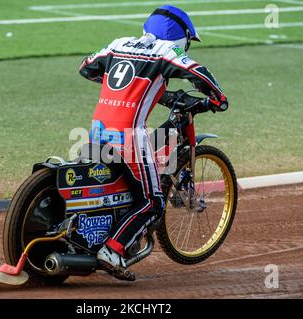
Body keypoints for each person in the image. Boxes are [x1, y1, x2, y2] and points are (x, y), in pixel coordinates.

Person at [78, 4, 229, 281]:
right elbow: (199, 73)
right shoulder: (166, 51)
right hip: (128, 137)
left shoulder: (118, 43)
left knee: (113, 184)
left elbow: (86, 68)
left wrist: (137, 91)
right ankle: (113, 250)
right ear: (180, 35)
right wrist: (219, 99)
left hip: (96, 131)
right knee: (153, 202)